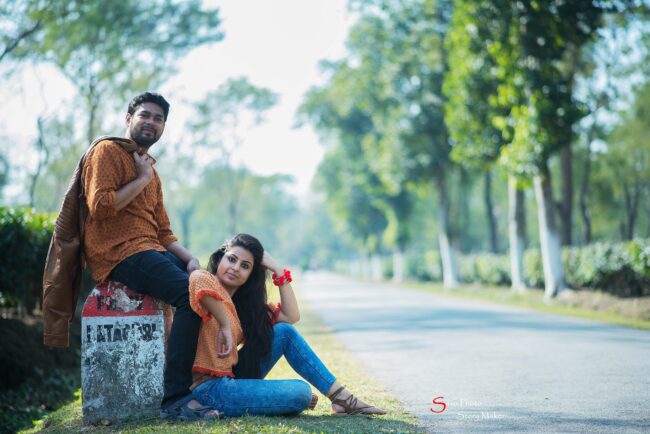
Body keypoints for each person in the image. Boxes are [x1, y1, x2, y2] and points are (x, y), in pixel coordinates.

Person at [81, 92, 204, 418]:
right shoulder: (107, 151)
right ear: (128, 118)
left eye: (158, 118)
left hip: (151, 248)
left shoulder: (151, 171)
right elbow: (101, 206)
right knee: (187, 296)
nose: (151, 122)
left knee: (204, 287)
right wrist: (141, 179)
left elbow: (163, 230)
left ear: (163, 126)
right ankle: (176, 399)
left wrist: (190, 259)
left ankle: (205, 379)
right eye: (144, 115)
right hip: (118, 251)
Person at [183, 233, 386, 418]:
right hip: (208, 390)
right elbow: (196, 277)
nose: (235, 268)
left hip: (230, 380)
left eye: (245, 266)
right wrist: (225, 324)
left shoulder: (243, 308)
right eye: (231, 259)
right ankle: (290, 399)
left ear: (250, 275)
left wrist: (278, 270)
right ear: (221, 258)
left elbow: (291, 316)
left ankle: (340, 397)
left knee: (284, 332)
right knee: (301, 392)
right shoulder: (206, 283)